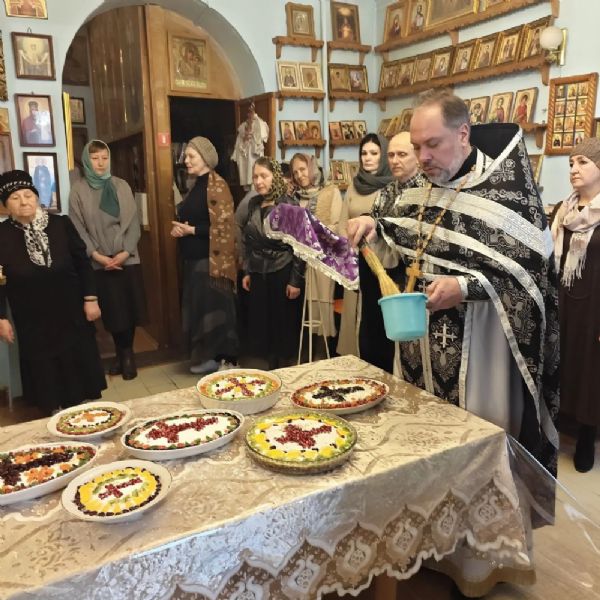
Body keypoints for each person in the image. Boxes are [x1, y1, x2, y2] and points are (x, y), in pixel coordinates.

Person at [347, 89, 560, 477]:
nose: (422, 157)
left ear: (463, 134)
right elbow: (398, 240)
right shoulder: (417, 187)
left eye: (432, 144)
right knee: (420, 440)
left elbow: (531, 276)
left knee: (475, 453)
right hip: (417, 341)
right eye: (416, 146)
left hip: (482, 345)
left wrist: (465, 288)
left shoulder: (507, 193)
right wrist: (373, 228)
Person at [0, 170, 106, 415]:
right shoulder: (2, 235)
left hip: (71, 310)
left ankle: (82, 412)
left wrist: (91, 298)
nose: (24, 202)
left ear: (37, 197)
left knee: (77, 361)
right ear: (6, 205)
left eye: (28, 195)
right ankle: (54, 413)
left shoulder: (61, 224)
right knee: (44, 368)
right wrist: (1, 317)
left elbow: (82, 263)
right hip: (31, 317)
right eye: (15, 198)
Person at [342, 132, 426, 368]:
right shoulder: (387, 190)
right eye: (391, 155)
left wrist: (378, 227)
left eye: (402, 154)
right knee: (373, 337)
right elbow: (375, 219)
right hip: (375, 273)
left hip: (405, 277)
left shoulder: (425, 191)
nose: (395, 160)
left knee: (399, 348)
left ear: (417, 156)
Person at [69, 140, 147, 380]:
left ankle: (127, 355)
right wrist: (96, 255)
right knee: (112, 312)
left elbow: (134, 223)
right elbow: (78, 228)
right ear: (86, 161)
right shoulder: (78, 190)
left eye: (104, 157)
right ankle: (120, 353)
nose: (101, 163)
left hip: (127, 258)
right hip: (98, 260)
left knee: (129, 309)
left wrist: (124, 252)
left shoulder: (121, 185)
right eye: (95, 158)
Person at [550, 139, 600, 472]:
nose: (574, 169)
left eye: (583, 162)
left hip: (594, 304)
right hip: (563, 299)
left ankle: (586, 435)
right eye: (571, 163)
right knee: (561, 361)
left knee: (590, 369)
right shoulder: (562, 210)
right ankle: (559, 423)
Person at [170, 137, 238, 374]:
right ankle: (209, 357)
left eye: (191, 156)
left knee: (215, 311)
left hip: (212, 263)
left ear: (206, 158)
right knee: (201, 312)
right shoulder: (197, 184)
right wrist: (182, 229)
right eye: (186, 156)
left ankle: (224, 360)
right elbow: (198, 219)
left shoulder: (217, 186)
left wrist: (191, 231)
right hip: (195, 261)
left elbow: (225, 229)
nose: (186, 160)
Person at [241, 158, 304, 369]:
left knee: (282, 324)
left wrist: (295, 281)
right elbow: (248, 240)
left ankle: (284, 369)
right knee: (263, 323)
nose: (259, 181)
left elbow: (300, 246)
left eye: (264, 176)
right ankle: (270, 368)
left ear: (275, 177)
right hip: (259, 270)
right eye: (255, 177)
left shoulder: (289, 205)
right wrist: (247, 271)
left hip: (283, 268)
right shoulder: (253, 204)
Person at [337, 133, 394, 358]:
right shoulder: (354, 185)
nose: (367, 158)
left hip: (381, 260)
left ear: (383, 155)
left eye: (374, 153)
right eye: (364, 153)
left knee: (376, 319)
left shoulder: (390, 186)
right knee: (355, 314)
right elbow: (343, 222)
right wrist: (349, 249)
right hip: (355, 258)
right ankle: (355, 357)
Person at [290, 153, 345, 350]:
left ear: (312, 168)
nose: (299, 175)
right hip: (301, 260)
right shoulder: (295, 197)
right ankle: (310, 349)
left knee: (324, 301)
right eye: (295, 172)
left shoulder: (331, 191)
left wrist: (313, 233)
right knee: (306, 305)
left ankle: (326, 348)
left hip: (324, 258)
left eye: (302, 169)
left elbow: (337, 225)